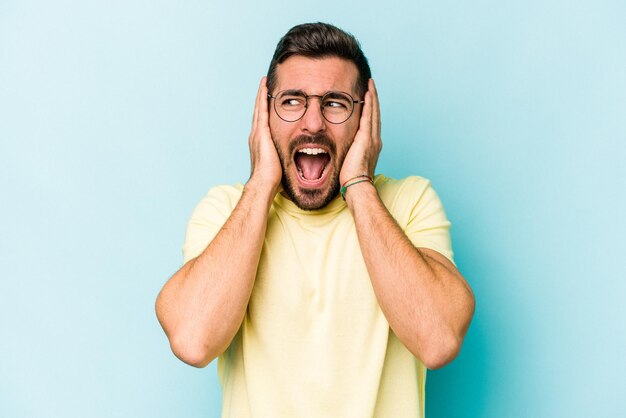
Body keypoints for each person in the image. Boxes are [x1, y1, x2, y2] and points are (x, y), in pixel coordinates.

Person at [155, 22, 475, 418]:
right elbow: (192, 340)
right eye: (291, 101)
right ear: (264, 114)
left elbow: (439, 340)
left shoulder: (409, 203)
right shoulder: (226, 209)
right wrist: (260, 184)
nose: (313, 123)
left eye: (336, 103)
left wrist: (358, 183)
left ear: (366, 117)